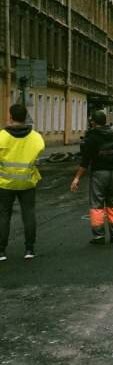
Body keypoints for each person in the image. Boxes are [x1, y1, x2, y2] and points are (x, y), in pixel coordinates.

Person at [71, 110, 113, 245]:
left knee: (97, 205)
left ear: (93, 122)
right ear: (105, 121)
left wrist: (77, 178)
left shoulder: (92, 138)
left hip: (99, 174)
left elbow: (85, 161)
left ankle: (99, 236)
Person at [0, 104, 45, 261]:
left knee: (4, 215)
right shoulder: (36, 138)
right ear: (26, 118)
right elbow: (38, 155)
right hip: (27, 182)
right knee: (28, 214)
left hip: (5, 183)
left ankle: (1, 251)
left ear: (10, 117)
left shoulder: (1, 137)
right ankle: (29, 249)